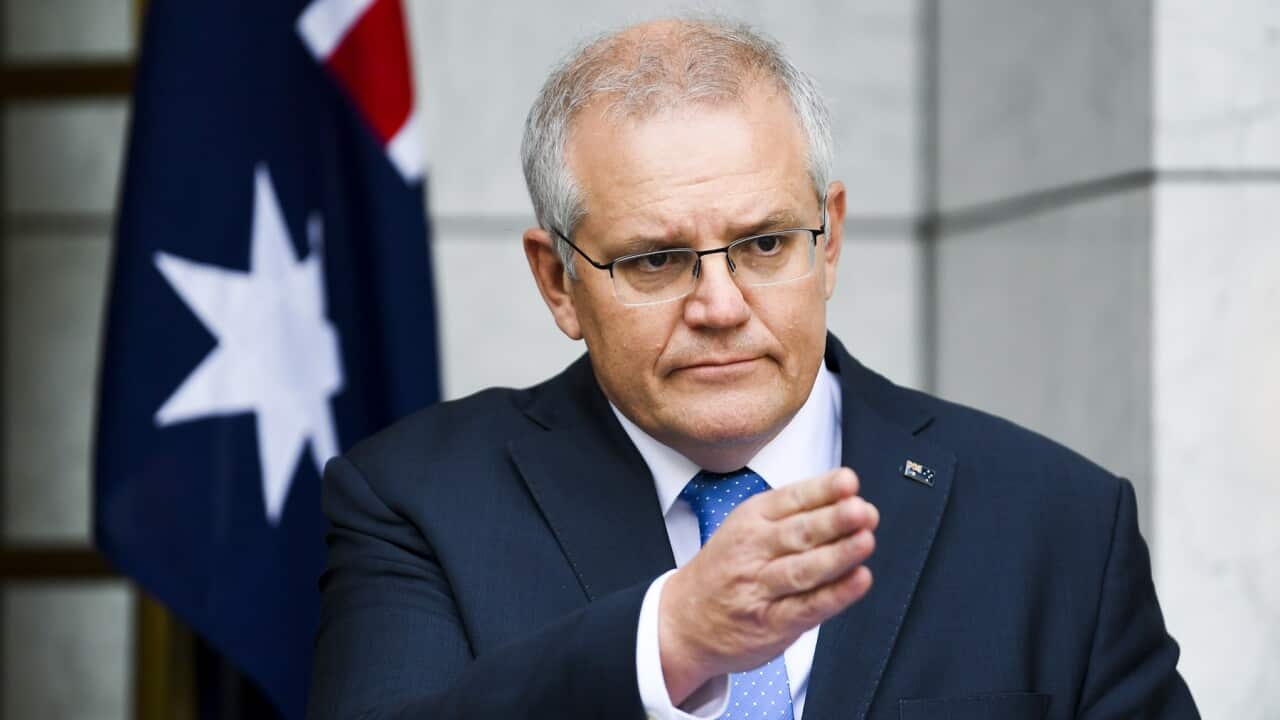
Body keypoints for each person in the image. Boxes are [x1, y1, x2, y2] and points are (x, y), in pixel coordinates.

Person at [307, 16, 1197, 720]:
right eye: (655, 260)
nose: (721, 306)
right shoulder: (414, 502)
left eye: (765, 243)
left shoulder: (1057, 519)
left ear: (831, 238)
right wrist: (669, 642)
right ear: (560, 282)